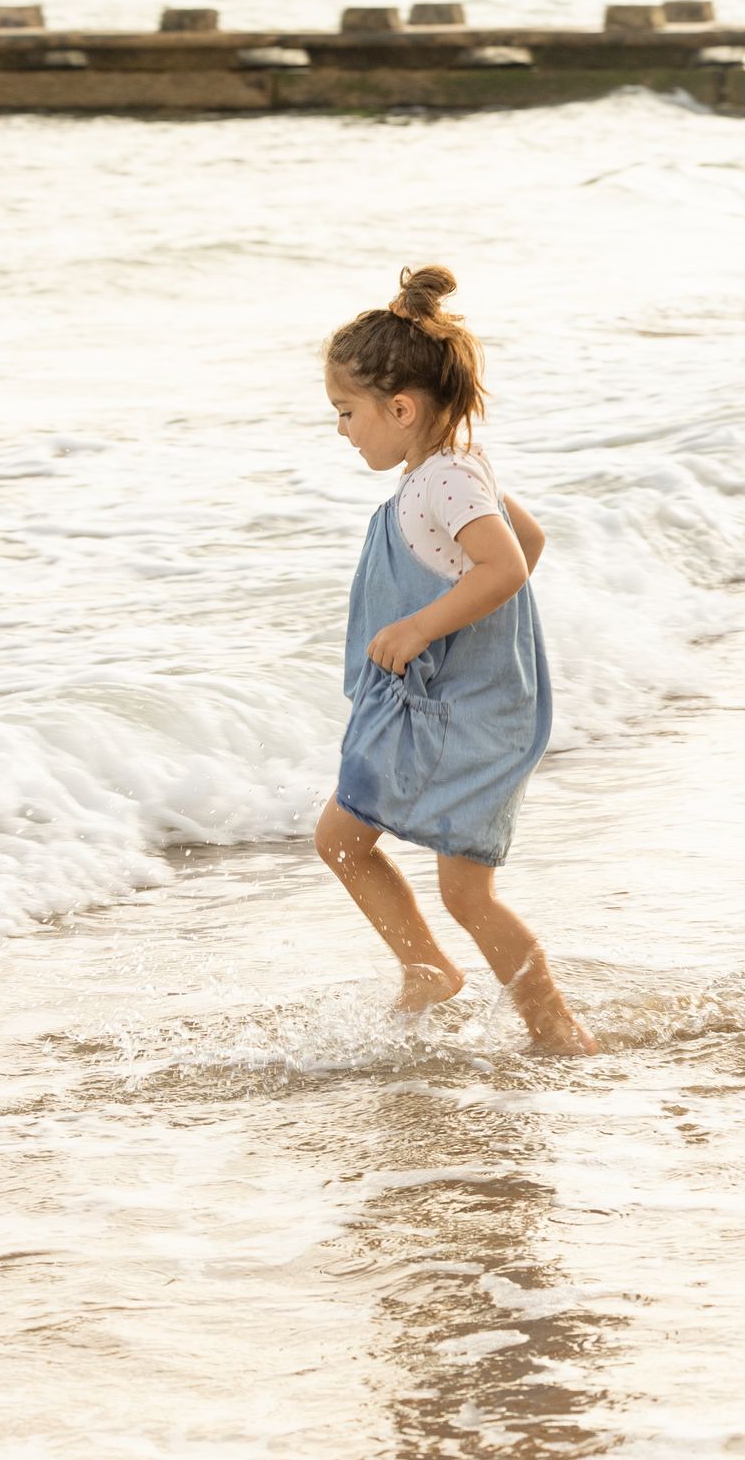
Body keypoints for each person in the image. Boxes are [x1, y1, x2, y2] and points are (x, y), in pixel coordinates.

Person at [314, 267, 595, 1055]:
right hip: (441, 705)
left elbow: (505, 566)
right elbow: (527, 541)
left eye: (346, 413)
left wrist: (423, 627)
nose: (342, 430)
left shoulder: (445, 480)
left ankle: (534, 1016)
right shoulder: (449, 472)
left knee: (434, 877)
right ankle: (453, 980)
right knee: (377, 851)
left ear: (400, 408)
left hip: (456, 713)